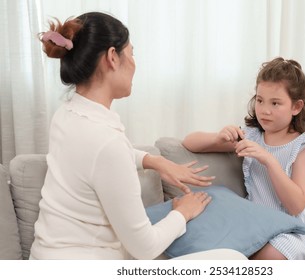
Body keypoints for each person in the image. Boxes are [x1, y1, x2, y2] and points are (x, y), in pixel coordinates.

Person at [30, 12, 214, 260]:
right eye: (132, 52)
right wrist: (183, 212)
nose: (135, 62)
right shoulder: (106, 142)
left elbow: (96, 159)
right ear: (112, 57)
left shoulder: (67, 114)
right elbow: (145, 248)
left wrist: (155, 161)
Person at [182, 57, 305, 260]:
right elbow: (189, 142)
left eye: (275, 103)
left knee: (269, 255)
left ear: (296, 107)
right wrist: (217, 137)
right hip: (257, 225)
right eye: (260, 100)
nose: (264, 110)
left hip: (295, 231)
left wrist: (269, 160)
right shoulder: (251, 136)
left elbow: (296, 205)